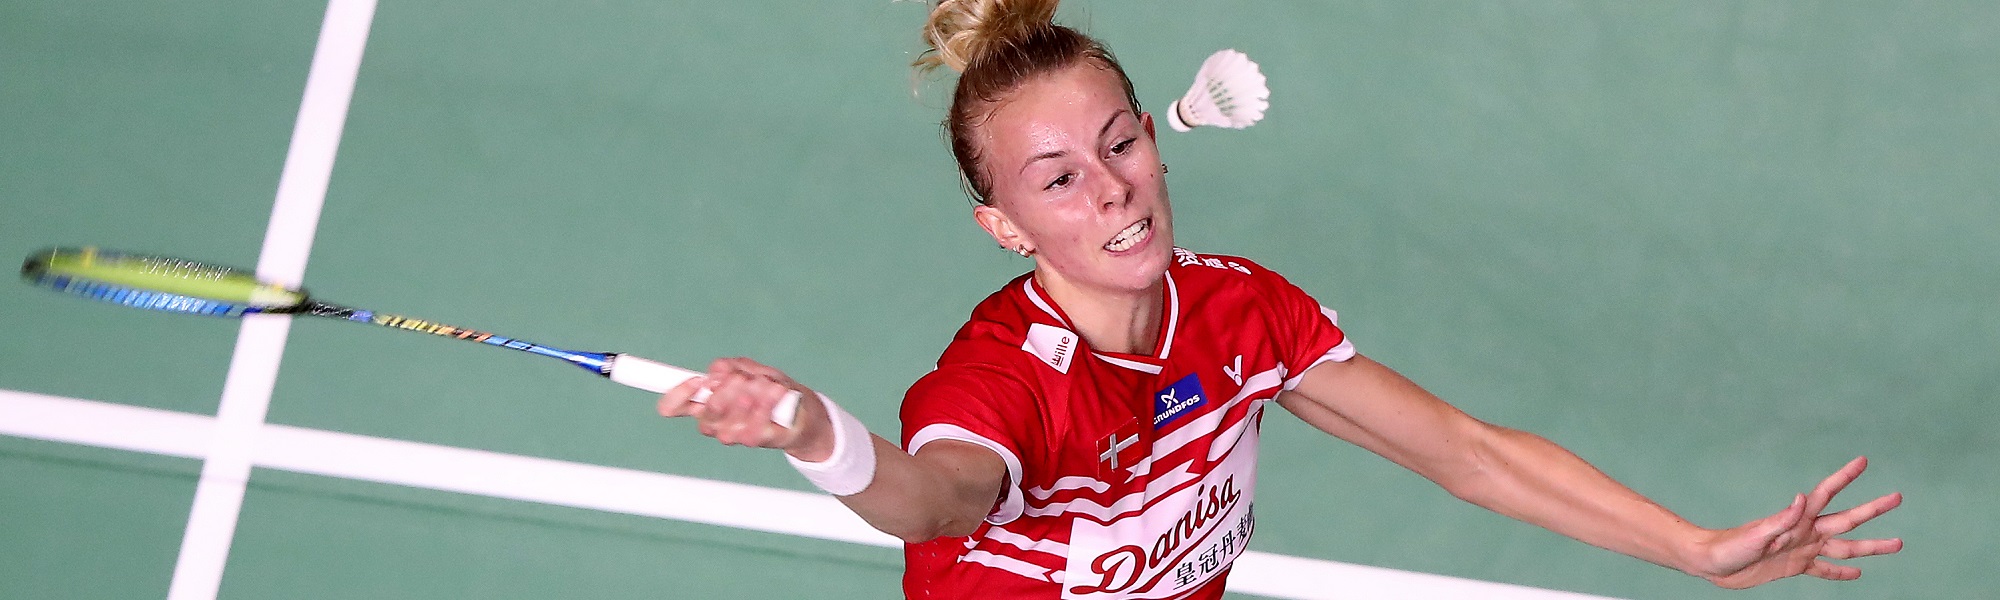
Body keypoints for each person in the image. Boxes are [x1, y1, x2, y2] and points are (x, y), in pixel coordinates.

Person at [654, 0, 1904, 597]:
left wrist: (1691, 547)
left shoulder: (1238, 314)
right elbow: (934, 499)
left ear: (1156, 141)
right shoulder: (998, 380)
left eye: (1119, 144)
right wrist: (810, 431)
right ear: (1005, 228)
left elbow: (1466, 454)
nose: (1111, 189)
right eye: (1057, 179)